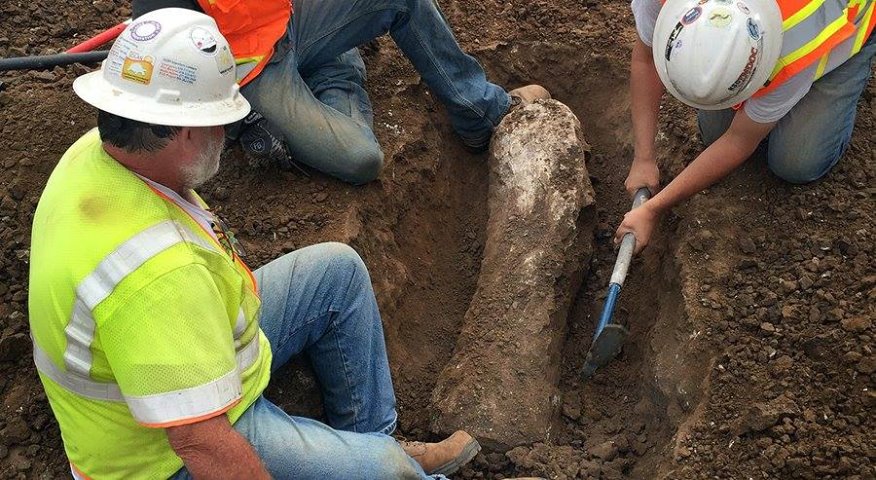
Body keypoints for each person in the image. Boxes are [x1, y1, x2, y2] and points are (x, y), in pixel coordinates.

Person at [27, 10, 503, 479]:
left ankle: (370, 436)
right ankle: (391, 464)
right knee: (388, 470)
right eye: (221, 118)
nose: (228, 133)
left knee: (339, 272)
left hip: (198, 344)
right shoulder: (155, 275)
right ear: (183, 129)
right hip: (163, 454)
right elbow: (203, 444)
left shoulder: (100, 151)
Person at [132, 0, 550, 185]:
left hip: (289, 22)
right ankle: (337, 71)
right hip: (248, 72)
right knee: (360, 158)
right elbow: (164, 52)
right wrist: (241, 122)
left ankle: (479, 113)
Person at [617, 0, 875, 252]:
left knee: (796, 162)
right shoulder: (658, 3)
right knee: (714, 133)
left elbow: (739, 141)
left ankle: (835, 72)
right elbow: (646, 59)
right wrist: (643, 159)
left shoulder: (795, 39)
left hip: (843, 25)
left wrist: (652, 210)